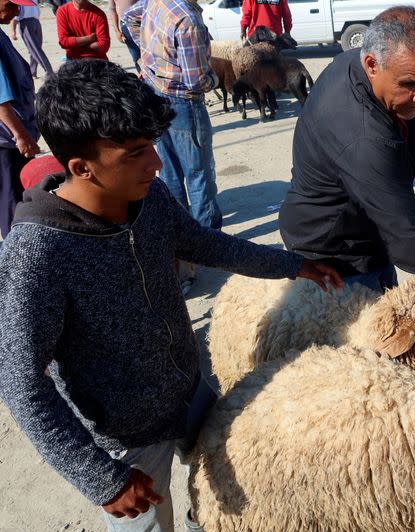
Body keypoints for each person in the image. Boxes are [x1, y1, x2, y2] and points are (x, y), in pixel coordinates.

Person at [0, 59, 342, 532]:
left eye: (152, 147)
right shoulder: (36, 255)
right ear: (81, 167)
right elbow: (20, 382)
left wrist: (291, 264)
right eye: (136, 152)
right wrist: (102, 479)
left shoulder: (149, 199)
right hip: (127, 437)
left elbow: (206, 245)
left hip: (189, 390)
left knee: (226, 499)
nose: (157, 163)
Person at [279, 6, 415, 307]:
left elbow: (397, 116)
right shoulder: (363, 137)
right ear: (372, 64)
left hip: (364, 228)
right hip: (336, 255)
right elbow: (408, 239)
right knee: (372, 342)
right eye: (411, 84)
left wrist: (413, 157)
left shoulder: (355, 65)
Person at [125, 0, 222, 232]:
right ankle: (206, 239)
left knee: (169, 167)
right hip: (183, 103)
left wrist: (149, 60)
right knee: (199, 172)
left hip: (155, 92)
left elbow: (128, 18)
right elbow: (196, 80)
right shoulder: (188, 21)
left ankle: (177, 233)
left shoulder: (158, 1)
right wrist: (216, 80)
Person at [0, 0, 39, 239]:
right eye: (12, 5)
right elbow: (1, 100)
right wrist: (21, 136)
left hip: (11, 135)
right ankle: (15, 253)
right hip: (7, 139)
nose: (17, 12)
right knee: (11, 198)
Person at [10, 2, 53, 78]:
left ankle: (43, 71)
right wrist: (13, 30)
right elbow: (17, 14)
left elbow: (16, 14)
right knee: (35, 49)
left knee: (35, 49)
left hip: (31, 22)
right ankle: (39, 71)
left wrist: (13, 31)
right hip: (31, 22)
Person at [108, 0, 140, 71]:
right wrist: (117, 31)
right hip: (125, 24)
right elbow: (112, 9)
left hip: (142, 22)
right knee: (136, 57)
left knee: (149, 56)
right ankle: (143, 78)